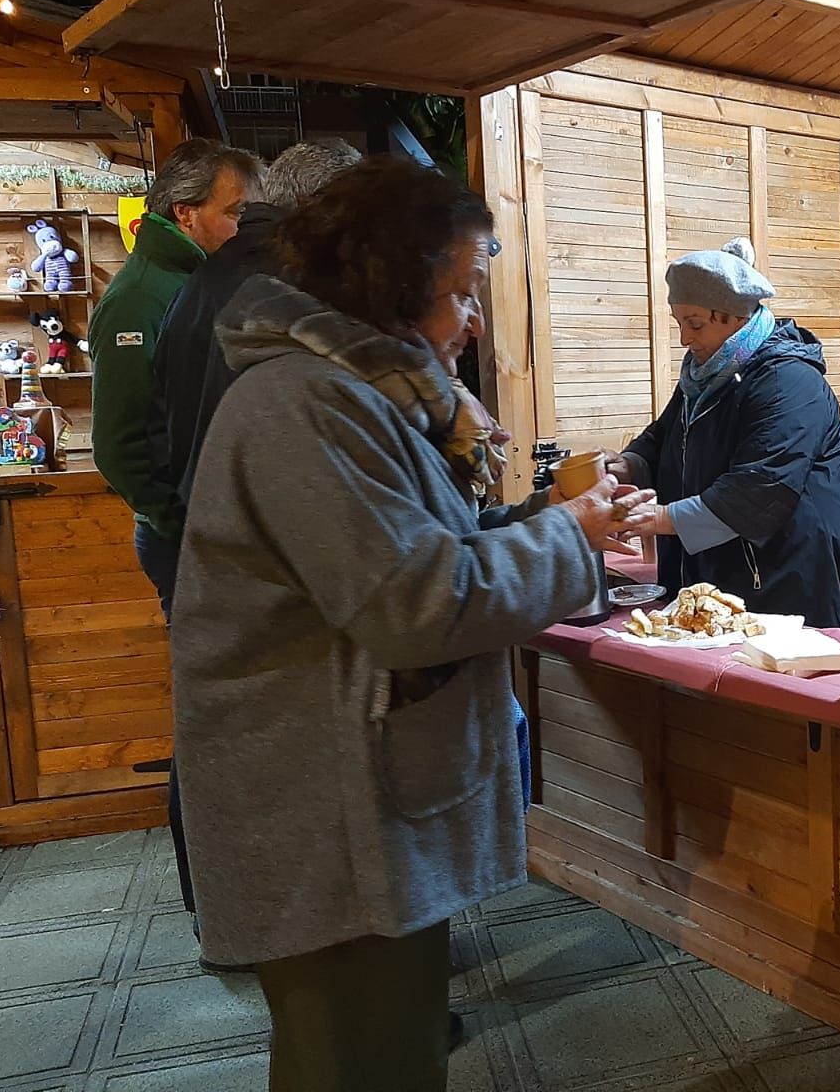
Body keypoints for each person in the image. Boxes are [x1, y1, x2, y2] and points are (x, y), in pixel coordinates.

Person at [171, 157, 652, 1091]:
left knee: (379, 1052)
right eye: (461, 291)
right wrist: (570, 534)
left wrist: (541, 523)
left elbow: (424, 553)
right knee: (361, 1064)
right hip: (323, 806)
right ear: (389, 285)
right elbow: (419, 605)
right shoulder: (308, 405)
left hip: (351, 792)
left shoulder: (346, 395)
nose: (473, 320)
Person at [610, 237, 840, 628]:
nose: (685, 338)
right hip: (742, 563)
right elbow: (665, 436)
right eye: (680, 322)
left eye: (694, 324)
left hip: (801, 564)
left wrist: (657, 518)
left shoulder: (788, 379)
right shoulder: (706, 376)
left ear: (735, 317)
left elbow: (760, 486)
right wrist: (624, 465)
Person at [151, 138, 362, 532]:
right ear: (327, 207)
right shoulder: (302, 281)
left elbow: (161, 416)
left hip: (208, 516)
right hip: (269, 527)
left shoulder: (200, 282)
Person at [91, 137, 264, 615]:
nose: (242, 229)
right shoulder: (139, 297)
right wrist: (184, 520)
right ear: (185, 214)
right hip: (186, 535)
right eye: (235, 214)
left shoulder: (199, 280)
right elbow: (117, 443)